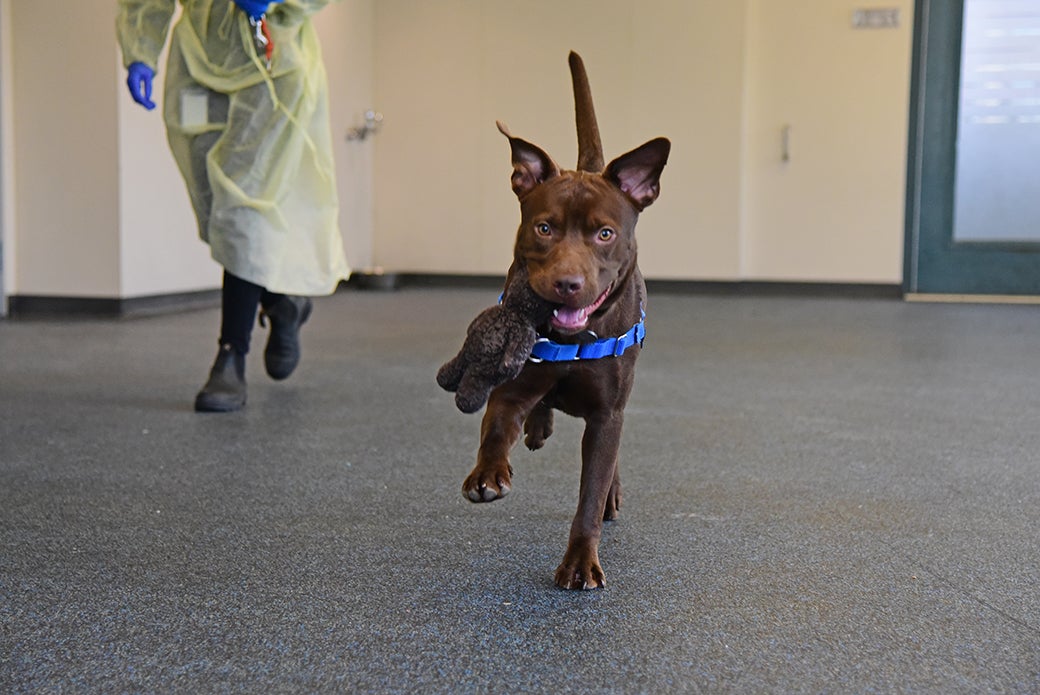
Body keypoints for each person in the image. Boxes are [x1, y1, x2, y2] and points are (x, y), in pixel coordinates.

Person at [116, 0, 350, 412]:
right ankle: (280, 303)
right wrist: (141, 51)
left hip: (271, 66)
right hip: (196, 62)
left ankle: (231, 355)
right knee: (214, 208)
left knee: (242, 209)